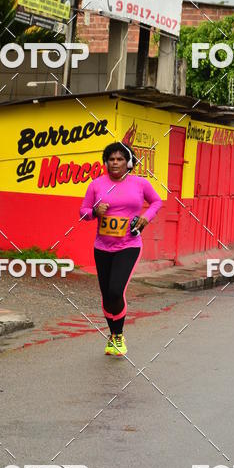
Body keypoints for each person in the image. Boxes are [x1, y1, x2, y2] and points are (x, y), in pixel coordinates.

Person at [80, 141, 163, 356]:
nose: (115, 163)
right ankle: (113, 335)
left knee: (116, 290)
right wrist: (95, 212)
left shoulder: (140, 184)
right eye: (111, 159)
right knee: (107, 295)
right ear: (106, 162)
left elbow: (156, 202)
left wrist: (146, 218)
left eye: (120, 159)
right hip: (102, 247)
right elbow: (83, 212)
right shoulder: (96, 185)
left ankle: (118, 335)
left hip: (128, 245)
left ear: (129, 163)